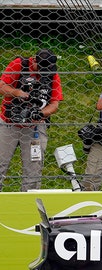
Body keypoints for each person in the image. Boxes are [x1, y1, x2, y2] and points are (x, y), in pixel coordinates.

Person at [0, 49, 63, 191]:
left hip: (34, 127)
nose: (42, 73)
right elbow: (1, 86)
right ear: (34, 60)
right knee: (0, 163)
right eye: (40, 69)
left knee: (33, 169)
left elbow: (54, 104)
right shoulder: (19, 65)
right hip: (9, 123)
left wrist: (40, 114)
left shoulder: (52, 75)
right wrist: (17, 93)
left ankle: (28, 201)